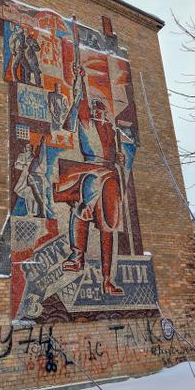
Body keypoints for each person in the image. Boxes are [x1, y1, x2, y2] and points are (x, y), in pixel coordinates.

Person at [54, 64, 125, 296]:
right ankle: (77, 256)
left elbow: (114, 154)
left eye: (100, 108)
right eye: (95, 108)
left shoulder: (111, 131)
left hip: (110, 177)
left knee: (108, 226)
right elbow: (82, 101)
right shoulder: (87, 123)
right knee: (82, 209)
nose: (97, 111)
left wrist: (119, 158)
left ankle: (107, 279)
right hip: (92, 172)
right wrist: (80, 79)